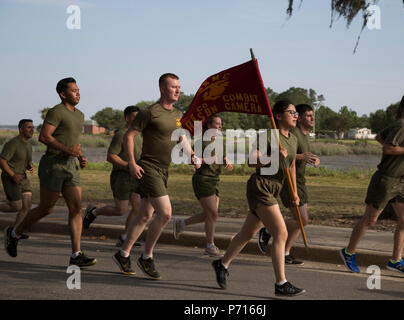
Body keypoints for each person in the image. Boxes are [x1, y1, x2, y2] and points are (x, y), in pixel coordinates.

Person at [211, 99, 306, 297]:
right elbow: (251, 161)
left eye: (297, 113)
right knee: (280, 233)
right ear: (278, 116)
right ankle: (281, 283)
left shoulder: (293, 139)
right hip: (260, 187)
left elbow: (291, 167)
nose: (296, 116)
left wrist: (294, 193)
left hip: (275, 189)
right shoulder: (268, 136)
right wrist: (273, 157)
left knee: (247, 233)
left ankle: (222, 263)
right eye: (292, 112)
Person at [112, 73, 200, 278]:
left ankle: (123, 253)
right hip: (148, 168)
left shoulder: (177, 114)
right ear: (162, 88)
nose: (178, 90)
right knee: (166, 214)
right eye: (173, 87)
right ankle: (146, 256)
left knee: (144, 215)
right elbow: (129, 136)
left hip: (163, 169)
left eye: (179, 86)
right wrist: (132, 163)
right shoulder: (150, 112)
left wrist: (193, 155)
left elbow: (181, 138)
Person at [4, 77, 96, 268]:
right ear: (63, 94)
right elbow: (44, 136)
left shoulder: (79, 115)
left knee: (76, 207)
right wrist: (67, 150)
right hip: (53, 165)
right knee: (46, 208)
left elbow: (73, 143)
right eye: (73, 90)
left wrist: (79, 156)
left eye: (78, 90)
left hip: (70, 166)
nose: (78, 93)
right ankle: (14, 233)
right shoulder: (57, 111)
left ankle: (76, 254)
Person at [340, 94, 404, 276]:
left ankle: (396, 260)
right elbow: (387, 148)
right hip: (386, 180)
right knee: (370, 219)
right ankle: (348, 252)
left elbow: (380, 137)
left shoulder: (401, 126)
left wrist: (403, 154)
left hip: (400, 181)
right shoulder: (402, 125)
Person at [258, 104, 320, 265]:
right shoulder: (292, 134)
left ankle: (285, 252)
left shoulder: (301, 136)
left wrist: (313, 158)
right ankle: (268, 230)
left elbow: (294, 156)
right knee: (302, 219)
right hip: (288, 180)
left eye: (312, 115)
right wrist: (301, 157)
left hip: (299, 179)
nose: (312, 118)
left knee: (300, 220)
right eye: (308, 115)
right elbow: (290, 156)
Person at [173, 115, 233, 257]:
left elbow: (222, 157)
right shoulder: (201, 142)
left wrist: (226, 161)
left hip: (215, 179)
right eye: (217, 124)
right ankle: (210, 245)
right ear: (208, 125)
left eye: (221, 124)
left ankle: (181, 224)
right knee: (212, 213)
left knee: (210, 214)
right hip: (203, 179)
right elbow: (191, 160)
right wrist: (208, 160)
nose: (219, 127)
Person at [83, 105, 143, 247]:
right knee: (120, 210)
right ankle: (94, 211)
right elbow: (111, 156)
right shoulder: (121, 134)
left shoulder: (140, 135)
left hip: (137, 176)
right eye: (134, 117)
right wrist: (128, 165)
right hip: (121, 176)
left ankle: (126, 237)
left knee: (138, 208)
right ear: (127, 118)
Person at [0, 119, 35, 233]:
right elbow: (2, 161)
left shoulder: (28, 145)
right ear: (21, 129)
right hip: (10, 177)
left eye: (32, 127)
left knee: (27, 206)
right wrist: (13, 175)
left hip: (22, 177)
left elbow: (26, 161)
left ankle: (15, 232)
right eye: (29, 127)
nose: (32, 130)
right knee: (17, 206)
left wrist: (30, 166)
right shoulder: (13, 143)